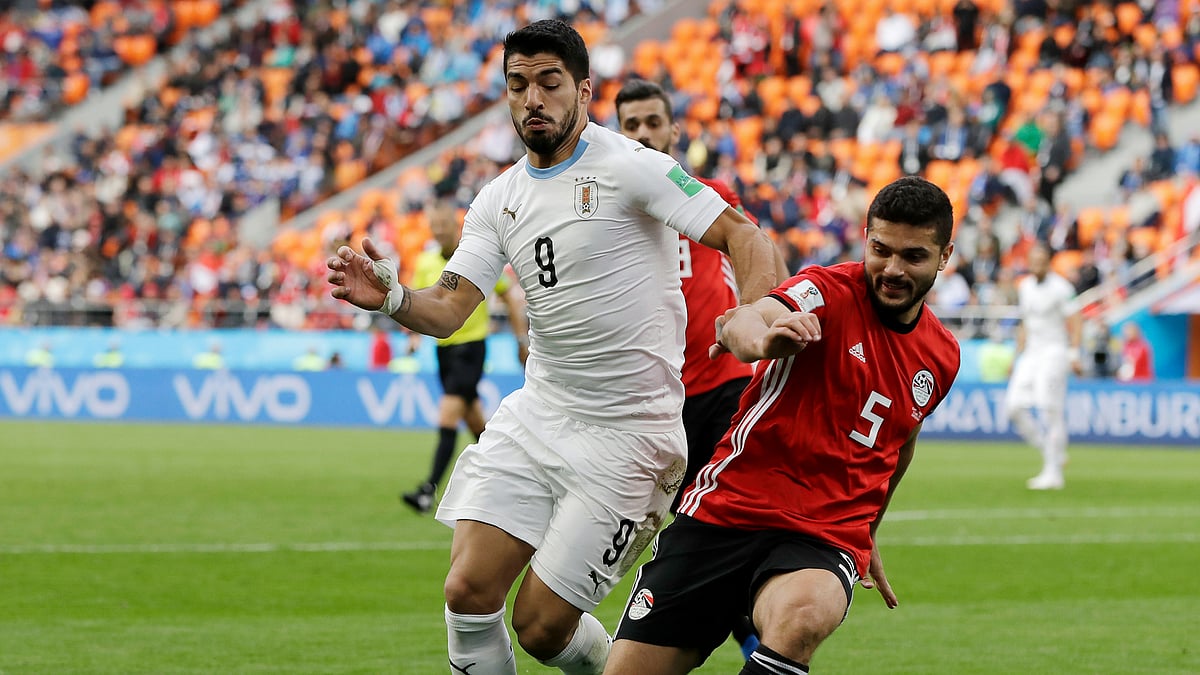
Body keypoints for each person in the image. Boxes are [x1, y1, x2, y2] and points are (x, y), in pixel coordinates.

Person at [325, 20, 786, 675]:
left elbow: (746, 235)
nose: (532, 98)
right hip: (541, 413)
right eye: (518, 85)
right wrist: (395, 298)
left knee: (541, 627)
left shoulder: (631, 167)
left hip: (631, 434)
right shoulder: (498, 201)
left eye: (549, 83)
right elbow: (450, 306)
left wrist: (757, 317)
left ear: (584, 91)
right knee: (466, 592)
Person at [604, 176, 961, 675]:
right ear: (865, 236)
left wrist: (868, 531)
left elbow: (900, 441)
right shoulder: (827, 290)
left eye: (914, 257)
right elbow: (751, 319)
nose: (893, 269)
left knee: (804, 615)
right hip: (728, 510)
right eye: (881, 249)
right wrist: (766, 341)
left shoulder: (943, 355)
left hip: (824, 532)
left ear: (945, 255)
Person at [614, 78, 760, 659]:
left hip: (722, 391)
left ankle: (757, 648)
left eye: (654, 122)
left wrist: (754, 316)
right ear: (617, 134)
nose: (645, 133)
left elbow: (755, 249)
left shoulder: (708, 195)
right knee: (678, 544)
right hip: (653, 405)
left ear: (675, 130)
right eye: (632, 125)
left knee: (707, 536)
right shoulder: (611, 210)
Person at [402, 199, 530, 515]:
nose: (439, 231)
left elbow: (509, 296)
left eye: (444, 225)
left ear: (455, 226)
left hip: (471, 348)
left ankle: (428, 489)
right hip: (443, 351)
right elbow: (421, 302)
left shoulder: (474, 260)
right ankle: (512, 478)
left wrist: (520, 339)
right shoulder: (426, 262)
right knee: (476, 424)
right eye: (434, 226)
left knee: (447, 415)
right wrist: (415, 336)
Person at [1005, 241, 1082, 491]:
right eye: (1033, 261)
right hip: (1031, 353)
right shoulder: (1025, 286)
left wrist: (1074, 353)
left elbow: (1076, 319)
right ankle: (1052, 452)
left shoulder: (1062, 288)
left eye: (1041, 261)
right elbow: (1025, 323)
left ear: (1049, 262)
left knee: (1050, 409)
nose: (1036, 265)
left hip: (1054, 352)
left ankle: (1053, 472)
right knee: (1013, 407)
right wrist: (1015, 357)